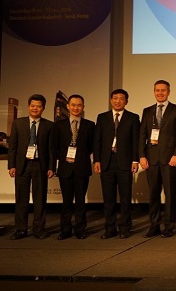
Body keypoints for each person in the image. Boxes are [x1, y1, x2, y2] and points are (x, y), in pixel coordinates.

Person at [139, 80, 176, 238]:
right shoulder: (147, 111)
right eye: (157, 90)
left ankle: (169, 225)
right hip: (151, 158)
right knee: (153, 193)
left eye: (163, 90)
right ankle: (154, 225)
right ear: (154, 92)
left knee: (170, 193)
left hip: (170, 159)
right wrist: (142, 156)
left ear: (168, 92)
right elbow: (142, 135)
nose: (160, 93)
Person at [93, 89, 140, 239]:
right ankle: (109, 228)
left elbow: (136, 141)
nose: (118, 101)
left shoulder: (133, 118)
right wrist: (97, 160)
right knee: (108, 198)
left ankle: (125, 227)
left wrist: (135, 160)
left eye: (121, 98)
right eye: (115, 98)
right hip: (107, 162)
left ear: (126, 101)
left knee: (125, 198)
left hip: (125, 162)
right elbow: (97, 140)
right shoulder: (102, 117)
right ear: (111, 100)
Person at [7, 94, 54, 240]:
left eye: (38, 106)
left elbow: (51, 149)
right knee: (21, 199)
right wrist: (11, 165)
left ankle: (39, 229)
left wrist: (51, 167)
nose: (35, 108)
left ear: (43, 108)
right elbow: (12, 146)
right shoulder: (18, 123)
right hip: (22, 165)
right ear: (28, 107)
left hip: (40, 165)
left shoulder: (49, 125)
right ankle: (21, 229)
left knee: (40, 199)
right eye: (32, 106)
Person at [51, 94, 95, 240]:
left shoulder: (90, 125)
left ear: (83, 107)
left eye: (79, 105)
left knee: (81, 201)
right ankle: (65, 229)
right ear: (68, 106)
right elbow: (54, 147)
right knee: (66, 201)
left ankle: (80, 229)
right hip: (65, 168)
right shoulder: (58, 125)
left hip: (82, 167)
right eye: (73, 105)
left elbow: (92, 146)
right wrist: (64, 158)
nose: (76, 108)